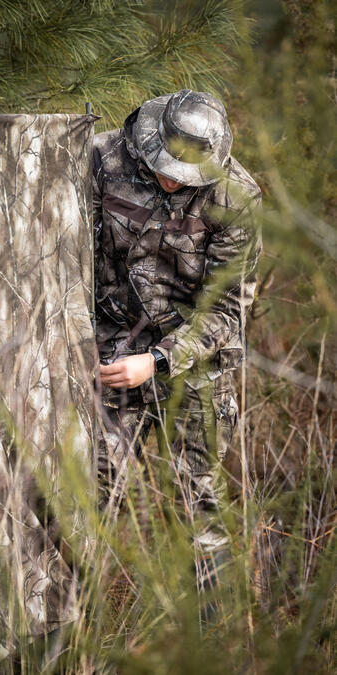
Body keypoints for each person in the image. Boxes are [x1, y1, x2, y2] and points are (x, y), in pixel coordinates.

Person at [92, 89, 262, 589]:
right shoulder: (102, 158)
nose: (170, 179)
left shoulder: (237, 198)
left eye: (184, 173)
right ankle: (66, 634)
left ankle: (217, 640)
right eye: (164, 165)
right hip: (110, 350)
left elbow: (228, 308)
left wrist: (161, 360)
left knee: (197, 507)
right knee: (85, 491)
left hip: (194, 366)